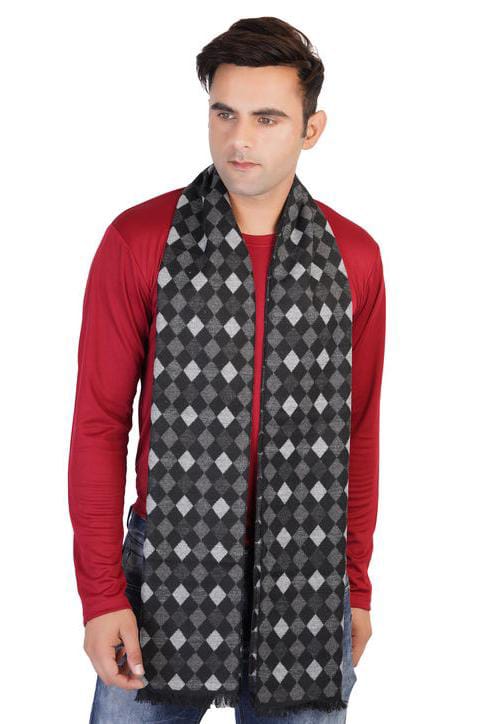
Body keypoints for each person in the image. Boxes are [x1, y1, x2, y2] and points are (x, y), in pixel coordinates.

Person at [68, 16, 386, 723]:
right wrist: (101, 596)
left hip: (307, 574)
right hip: (163, 567)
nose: (240, 138)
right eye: (224, 113)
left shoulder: (354, 259)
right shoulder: (139, 241)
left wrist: (355, 587)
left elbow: (357, 433)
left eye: (267, 118)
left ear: (311, 129)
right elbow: (99, 424)